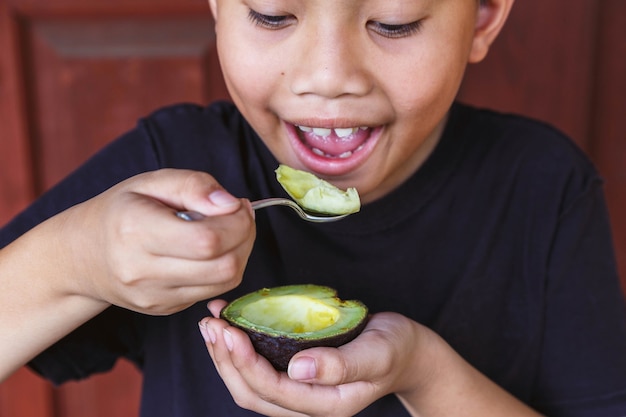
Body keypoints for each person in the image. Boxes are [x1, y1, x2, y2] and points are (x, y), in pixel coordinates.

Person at [1, 0, 626, 415]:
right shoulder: (172, 161)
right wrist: (77, 259)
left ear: (484, 16)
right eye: (274, 15)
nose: (328, 76)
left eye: (394, 21)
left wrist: (423, 370)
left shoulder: (544, 187)